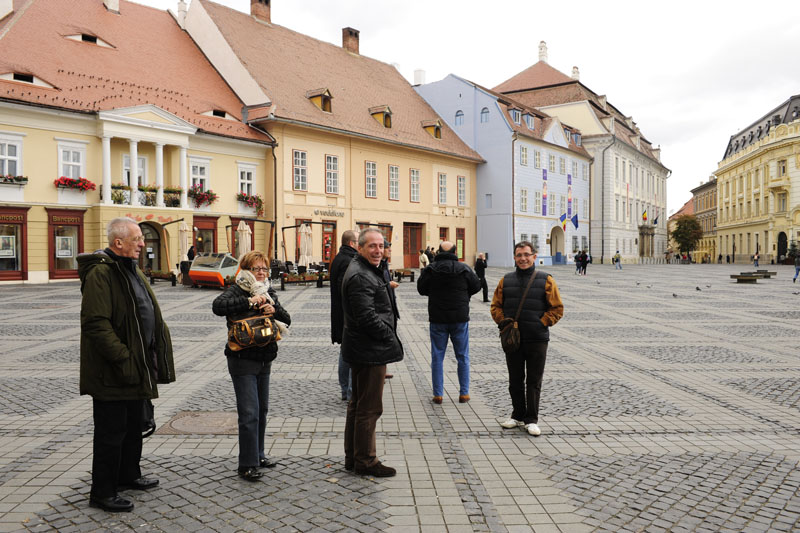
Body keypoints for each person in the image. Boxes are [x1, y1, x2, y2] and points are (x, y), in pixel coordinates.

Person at [78, 217, 176, 512]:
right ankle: (103, 492)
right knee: (111, 433)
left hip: (138, 365)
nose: (143, 243)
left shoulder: (131, 269)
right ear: (118, 242)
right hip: (113, 370)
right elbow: (96, 324)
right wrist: (123, 357)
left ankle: (129, 474)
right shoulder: (101, 274)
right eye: (137, 238)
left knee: (135, 425)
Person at [212, 250, 291, 481]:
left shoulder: (268, 291)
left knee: (262, 410)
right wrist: (249, 301)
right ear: (246, 270)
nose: (261, 273)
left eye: (264, 269)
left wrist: (273, 309)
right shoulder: (238, 288)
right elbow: (218, 306)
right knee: (249, 413)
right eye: (257, 269)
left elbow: (287, 318)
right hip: (242, 359)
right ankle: (246, 464)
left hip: (265, 357)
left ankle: (259, 454)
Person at [341, 228, 404, 477]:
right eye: (372, 246)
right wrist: (388, 335)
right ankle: (365, 460)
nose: (378, 250)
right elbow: (366, 317)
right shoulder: (361, 275)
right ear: (360, 248)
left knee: (358, 405)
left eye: (381, 246)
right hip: (369, 349)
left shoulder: (366, 270)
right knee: (369, 408)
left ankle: (353, 456)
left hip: (363, 347)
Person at [490, 241, 563, 437]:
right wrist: (503, 322)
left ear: (534, 256)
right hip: (513, 339)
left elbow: (557, 308)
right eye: (519, 255)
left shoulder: (546, 280)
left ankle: (531, 419)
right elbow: (495, 306)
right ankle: (517, 415)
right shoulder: (506, 280)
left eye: (526, 255)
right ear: (514, 257)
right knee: (515, 379)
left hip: (537, 339)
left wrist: (542, 322)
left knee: (533, 381)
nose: (523, 258)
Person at [417, 241, 481, 404]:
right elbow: (476, 286)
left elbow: (421, 289)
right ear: (455, 252)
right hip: (459, 318)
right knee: (462, 356)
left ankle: (438, 394)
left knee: (437, 356)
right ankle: (464, 393)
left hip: (438, 318)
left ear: (438, 252)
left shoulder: (431, 269)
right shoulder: (464, 268)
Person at [330, 230, 359, 401]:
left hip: (341, 312)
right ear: (352, 243)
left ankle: (346, 390)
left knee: (345, 351)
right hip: (346, 314)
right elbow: (346, 289)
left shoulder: (340, 257)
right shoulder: (348, 260)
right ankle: (348, 390)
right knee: (347, 352)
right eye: (358, 241)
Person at [380, 239, 399, 380]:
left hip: (390, 306)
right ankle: (380, 371)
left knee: (387, 340)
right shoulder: (379, 265)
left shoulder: (385, 264)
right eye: (388, 248)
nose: (390, 250)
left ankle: (384, 369)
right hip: (383, 308)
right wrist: (388, 285)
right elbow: (378, 284)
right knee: (383, 341)